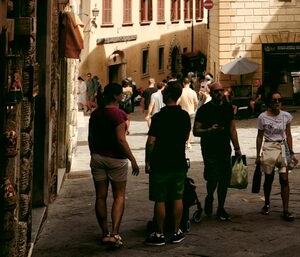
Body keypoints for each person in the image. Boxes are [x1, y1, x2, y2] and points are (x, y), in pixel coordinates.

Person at [88, 82, 139, 248]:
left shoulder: (96, 114)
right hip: (116, 159)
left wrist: (93, 154)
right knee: (119, 196)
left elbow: (90, 138)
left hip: (97, 157)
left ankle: (104, 233)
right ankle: (114, 233)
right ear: (117, 96)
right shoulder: (119, 115)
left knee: (100, 196)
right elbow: (121, 140)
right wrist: (132, 159)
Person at [145, 81, 190, 246]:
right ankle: (177, 231)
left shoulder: (158, 117)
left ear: (167, 95)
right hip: (178, 161)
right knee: (178, 197)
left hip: (160, 162)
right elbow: (186, 137)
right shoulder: (184, 116)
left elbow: (151, 142)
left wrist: (147, 161)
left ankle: (159, 233)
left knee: (160, 198)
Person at [194, 82, 241, 221]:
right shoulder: (204, 110)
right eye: (216, 91)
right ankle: (209, 196)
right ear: (210, 93)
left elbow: (232, 129)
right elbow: (196, 131)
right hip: (209, 149)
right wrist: (209, 130)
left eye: (221, 91)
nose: (219, 93)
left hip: (224, 148)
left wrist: (237, 148)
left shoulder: (227, 108)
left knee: (224, 179)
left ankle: (221, 208)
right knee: (212, 177)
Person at [255, 92, 297, 221]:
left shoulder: (286, 116)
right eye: (274, 100)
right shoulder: (262, 117)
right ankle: (267, 203)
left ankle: (286, 210)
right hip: (268, 148)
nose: (277, 102)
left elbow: (288, 134)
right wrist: (258, 154)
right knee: (269, 178)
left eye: (279, 100)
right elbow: (260, 136)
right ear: (270, 102)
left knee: (284, 179)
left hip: (282, 148)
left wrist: (291, 151)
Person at [178, 78, 199, 149]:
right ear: (189, 83)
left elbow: (177, 102)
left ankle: (183, 142)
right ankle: (188, 143)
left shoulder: (181, 92)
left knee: (182, 128)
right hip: (191, 112)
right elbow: (196, 102)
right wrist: (194, 108)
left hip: (182, 112)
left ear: (183, 83)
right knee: (190, 129)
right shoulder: (193, 92)